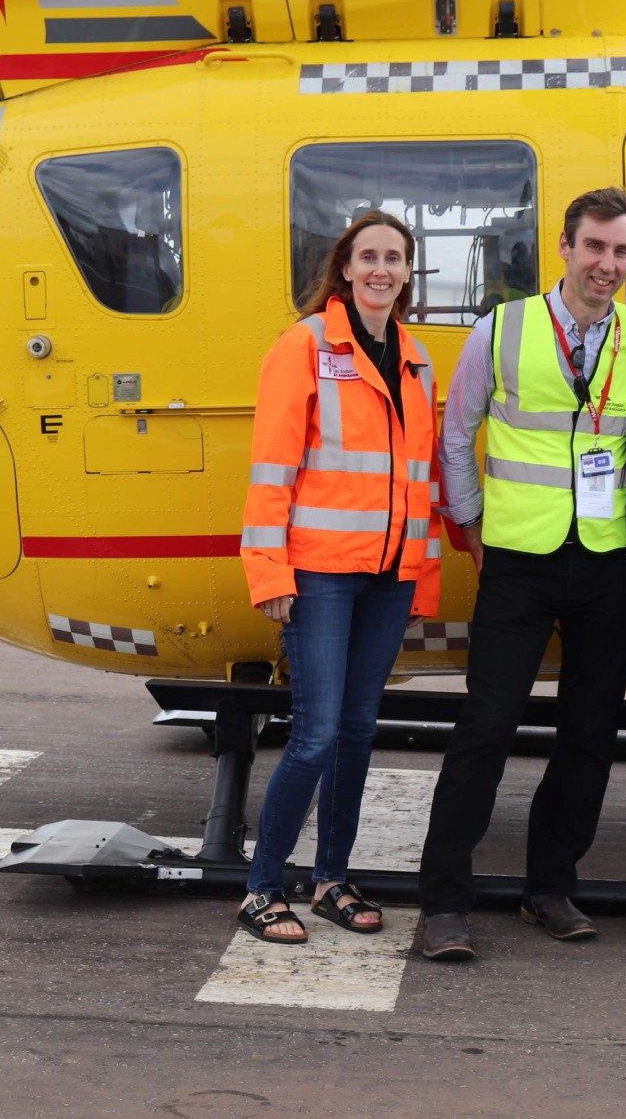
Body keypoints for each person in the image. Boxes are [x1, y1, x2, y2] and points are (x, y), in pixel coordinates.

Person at [415, 187, 626, 961]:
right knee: (485, 730)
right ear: (564, 247)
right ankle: (443, 903)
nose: (608, 264)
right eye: (595, 247)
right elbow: (457, 432)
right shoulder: (501, 328)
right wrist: (471, 526)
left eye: (622, 251)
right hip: (519, 562)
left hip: (606, 565)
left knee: (589, 735)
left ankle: (549, 885)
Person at [236, 209, 444, 944]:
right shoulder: (304, 346)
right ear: (346, 269)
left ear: (409, 271)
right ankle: (262, 889)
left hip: (388, 577)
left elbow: (420, 483)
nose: (382, 269)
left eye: (395, 257)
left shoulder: (416, 358)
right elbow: (271, 469)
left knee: (357, 730)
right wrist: (269, 573)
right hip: (320, 575)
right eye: (369, 257)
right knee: (316, 736)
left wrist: (421, 580)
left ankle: (330, 880)